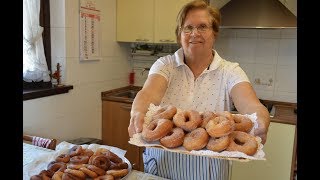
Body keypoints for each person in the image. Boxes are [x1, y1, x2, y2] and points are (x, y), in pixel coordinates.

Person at [128, 0, 270, 179]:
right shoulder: (165, 65)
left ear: (214, 33)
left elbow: (251, 106)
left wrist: (262, 122)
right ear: (180, 33)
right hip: (162, 165)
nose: (194, 33)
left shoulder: (230, 71)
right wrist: (137, 112)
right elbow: (148, 93)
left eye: (202, 27)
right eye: (188, 28)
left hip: (208, 171)